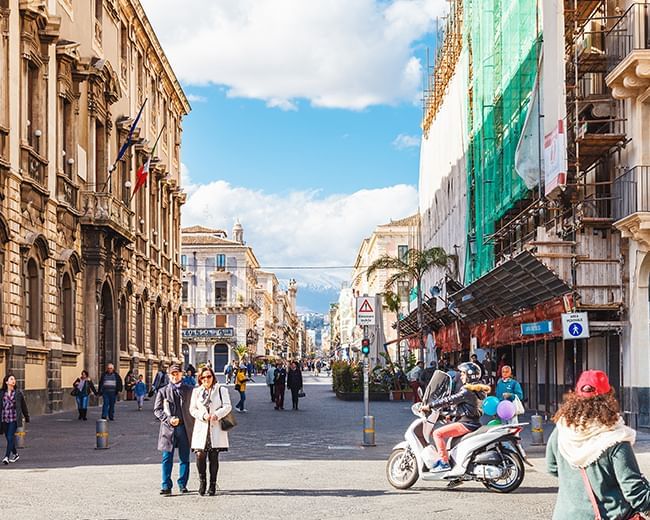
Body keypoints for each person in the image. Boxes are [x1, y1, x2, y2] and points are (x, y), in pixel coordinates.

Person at [546, 370, 650, 519]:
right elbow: (634, 491)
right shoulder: (615, 439)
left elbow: (552, 467)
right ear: (608, 398)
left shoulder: (561, 431)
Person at [421, 362, 490, 472]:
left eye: (463, 373)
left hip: (466, 424)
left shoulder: (467, 390)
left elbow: (450, 400)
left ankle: (444, 463)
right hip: (473, 422)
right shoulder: (479, 390)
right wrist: (451, 414)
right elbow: (470, 407)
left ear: (469, 375)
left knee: (437, 434)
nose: (461, 376)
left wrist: (430, 405)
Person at [153, 364, 195, 495]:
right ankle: (166, 485)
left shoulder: (189, 390)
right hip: (168, 428)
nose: (175, 376)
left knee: (184, 457)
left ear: (181, 374)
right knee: (167, 458)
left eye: (177, 373)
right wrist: (168, 419)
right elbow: (157, 410)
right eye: (172, 374)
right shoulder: (163, 391)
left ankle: (182, 484)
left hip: (184, 427)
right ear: (169, 375)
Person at [189, 366, 231, 496]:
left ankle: (213, 484)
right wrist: (203, 416)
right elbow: (192, 409)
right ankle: (202, 481)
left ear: (213, 377)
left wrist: (216, 414)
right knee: (200, 455)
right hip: (202, 427)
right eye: (203, 377)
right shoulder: (196, 391)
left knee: (214, 456)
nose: (206, 379)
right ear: (200, 379)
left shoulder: (221, 389)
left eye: (209, 376)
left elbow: (227, 406)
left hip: (215, 426)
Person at [1, 374, 29, 465]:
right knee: (8, 438)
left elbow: (23, 406)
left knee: (10, 437)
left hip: (14, 418)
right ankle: (16, 454)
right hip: (4, 418)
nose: (13, 380)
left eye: (14, 379)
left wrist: (26, 416)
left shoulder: (18, 393)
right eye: (11, 379)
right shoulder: (2, 393)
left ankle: (6, 457)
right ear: (6, 382)